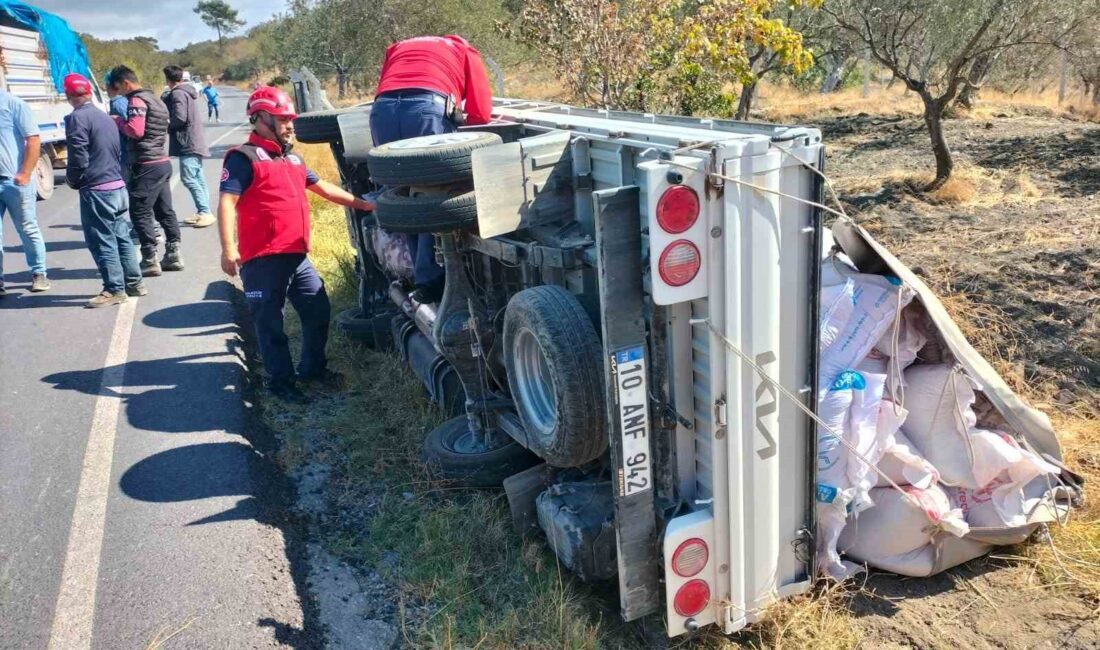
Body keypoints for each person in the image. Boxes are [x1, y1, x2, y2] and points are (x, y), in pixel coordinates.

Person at [218, 86, 374, 403]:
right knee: (270, 325)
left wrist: (368, 206)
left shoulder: (292, 159)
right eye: (282, 118)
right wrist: (228, 248)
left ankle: (313, 370)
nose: (290, 125)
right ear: (260, 119)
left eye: (290, 119)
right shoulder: (243, 159)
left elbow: (326, 189)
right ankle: (281, 383)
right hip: (262, 259)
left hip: (297, 256)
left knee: (318, 311)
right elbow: (226, 202)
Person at [369, 35, 493, 304]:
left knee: (399, 192)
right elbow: (481, 112)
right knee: (432, 191)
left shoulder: (398, 47)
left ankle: (412, 270)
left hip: (382, 110)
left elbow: (388, 87)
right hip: (426, 109)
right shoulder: (463, 48)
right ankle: (434, 279)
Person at [62, 73, 146, 308]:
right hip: (117, 185)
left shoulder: (77, 119)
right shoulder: (105, 116)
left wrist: (73, 179)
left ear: (69, 95)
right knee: (122, 237)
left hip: (98, 189)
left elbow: (78, 156)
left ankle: (114, 289)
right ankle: (135, 282)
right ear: (89, 92)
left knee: (102, 240)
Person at [105, 64, 183, 277]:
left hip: (145, 164)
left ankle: (149, 259)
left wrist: (118, 121)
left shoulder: (136, 100)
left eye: (119, 87)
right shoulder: (157, 99)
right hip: (162, 161)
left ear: (126, 83)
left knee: (139, 210)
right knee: (164, 209)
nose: (119, 92)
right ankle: (174, 253)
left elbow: (136, 130)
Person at [0, 83, 49, 297]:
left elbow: (33, 139)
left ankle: (39, 273)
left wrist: (26, 173)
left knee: (27, 228)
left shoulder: (13, 104)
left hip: (14, 181)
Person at [164, 64, 214, 228]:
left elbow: (180, 118)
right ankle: (204, 211)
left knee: (189, 179)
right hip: (194, 141)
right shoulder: (187, 92)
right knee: (198, 178)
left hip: (188, 143)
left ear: (169, 79)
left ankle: (205, 212)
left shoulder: (178, 94)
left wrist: (167, 125)